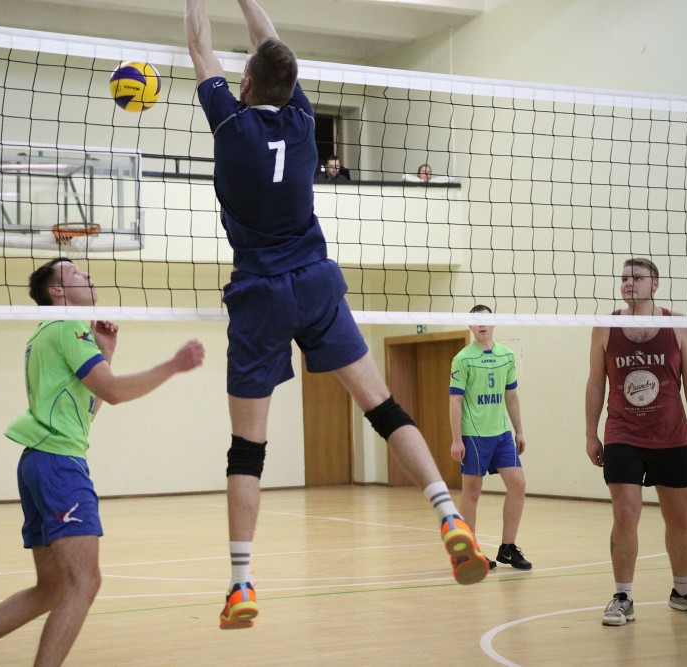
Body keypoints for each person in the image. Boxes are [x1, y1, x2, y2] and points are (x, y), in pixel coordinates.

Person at [185, 0, 489, 631]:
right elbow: (271, 41)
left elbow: (198, 44)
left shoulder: (230, 124)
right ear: (290, 85)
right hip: (317, 283)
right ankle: (448, 515)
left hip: (259, 291)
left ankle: (241, 583)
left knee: (247, 447)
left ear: (245, 84)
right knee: (383, 407)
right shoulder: (302, 120)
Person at [0, 257, 206, 666]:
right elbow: (115, 392)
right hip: (57, 464)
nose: (86, 274)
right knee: (85, 582)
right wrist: (173, 366)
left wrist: (106, 353)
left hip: (40, 461)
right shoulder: (67, 327)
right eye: (74, 272)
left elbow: (89, 410)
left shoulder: (48, 331)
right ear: (56, 291)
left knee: (53, 588)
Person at [585, 257, 687, 627]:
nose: (629, 283)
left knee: (679, 518)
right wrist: (591, 433)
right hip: (623, 435)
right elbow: (595, 383)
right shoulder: (606, 325)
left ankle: (683, 591)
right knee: (625, 514)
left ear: (655, 285)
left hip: (671, 435)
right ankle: (622, 597)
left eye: (637, 278)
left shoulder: (678, 325)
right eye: (624, 278)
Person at [449, 305, 531, 572]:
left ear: (494, 323)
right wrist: (456, 439)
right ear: (470, 326)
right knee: (472, 491)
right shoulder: (463, 359)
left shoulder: (506, 355)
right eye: (476, 321)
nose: (481, 325)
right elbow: (455, 400)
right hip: (474, 435)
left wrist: (519, 430)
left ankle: (508, 547)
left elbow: (512, 396)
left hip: (502, 434)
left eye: (485, 320)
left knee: (518, 484)